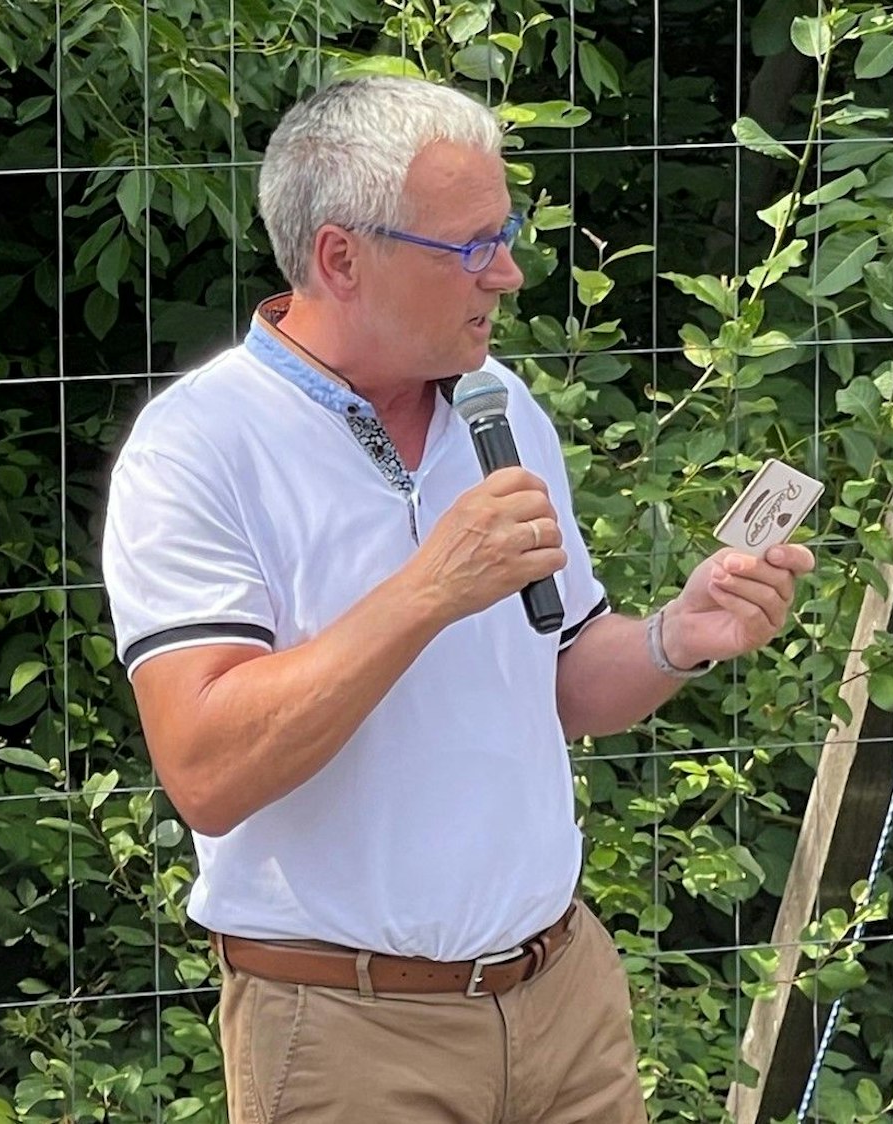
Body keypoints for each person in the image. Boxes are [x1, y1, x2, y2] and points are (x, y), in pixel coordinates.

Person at [101, 75, 815, 1123]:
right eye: (471, 245)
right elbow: (207, 768)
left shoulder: (502, 403)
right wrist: (430, 588)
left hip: (562, 995)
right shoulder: (199, 448)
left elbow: (561, 677)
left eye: (506, 233)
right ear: (341, 257)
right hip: (350, 1029)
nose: (511, 272)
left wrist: (675, 636)